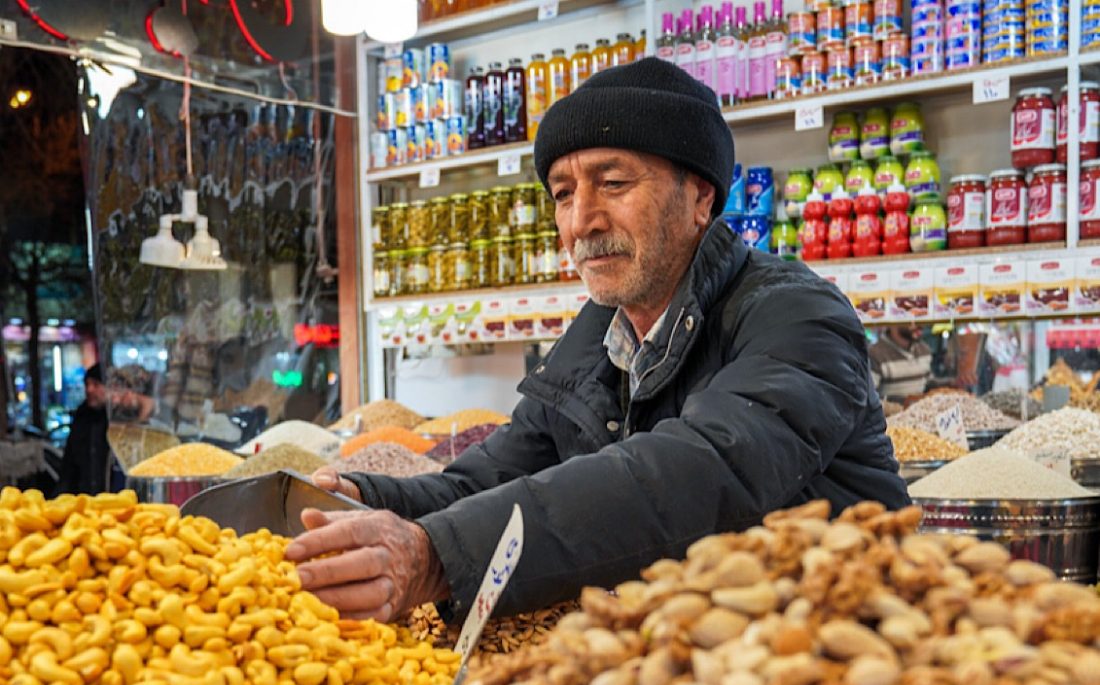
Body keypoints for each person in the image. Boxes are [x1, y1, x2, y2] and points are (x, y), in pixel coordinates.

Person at [286, 58, 910, 621]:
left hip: (858, 646)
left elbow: (690, 475)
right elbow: (488, 480)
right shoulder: (596, 339)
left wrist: (437, 556)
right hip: (695, 658)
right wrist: (368, 502)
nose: (581, 220)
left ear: (700, 197)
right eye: (563, 194)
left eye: (613, 184)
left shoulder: (797, 315)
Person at [58, 363, 111, 495]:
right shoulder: (81, 418)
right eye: (87, 384)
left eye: (96, 384)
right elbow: (69, 466)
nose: (89, 390)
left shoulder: (118, 420)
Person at [869, 323, 934, 403]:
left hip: (921, 409)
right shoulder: (874, 354)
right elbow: (869, 397)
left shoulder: (924, 350)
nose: (919, 324)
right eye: (910, 320)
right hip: (891, 411)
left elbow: (928, 383)